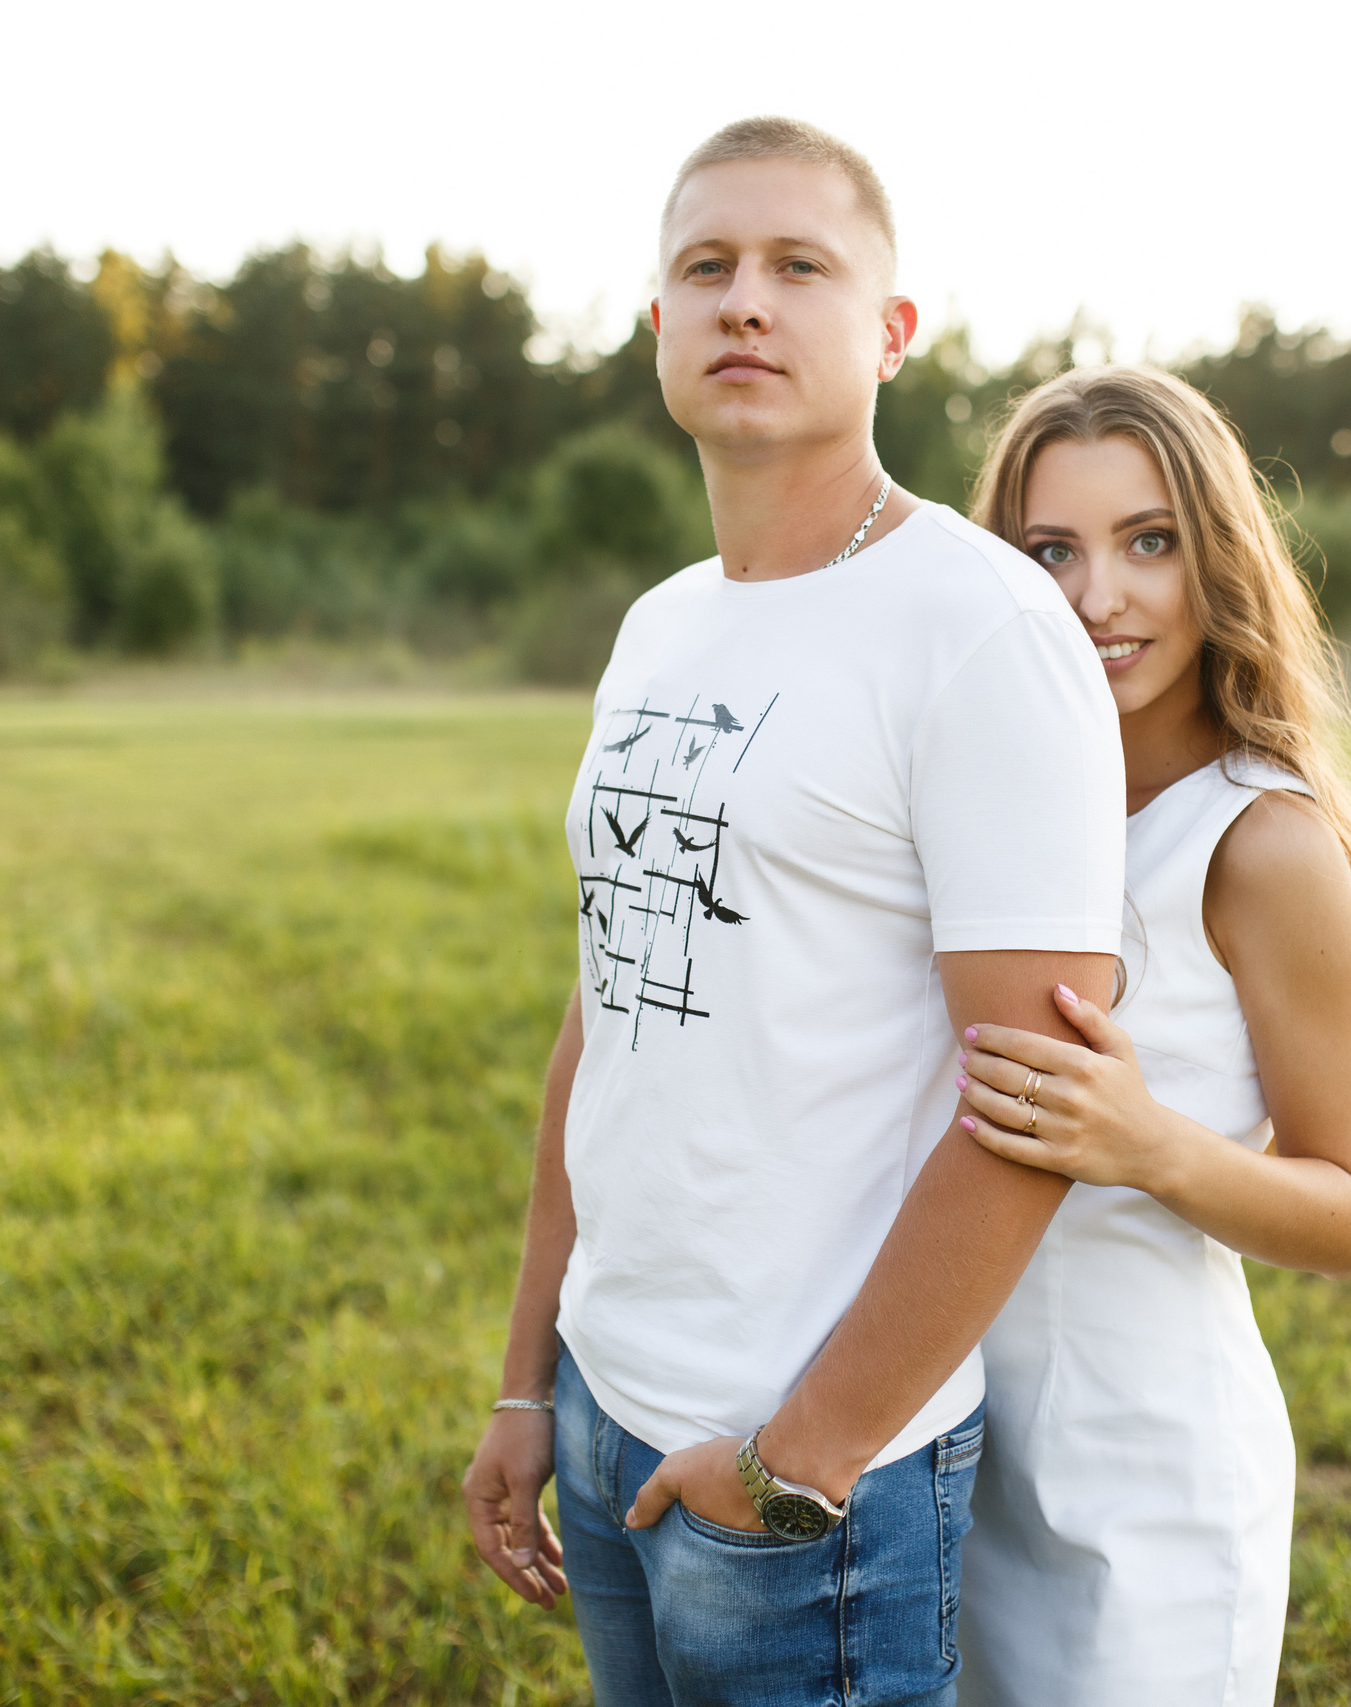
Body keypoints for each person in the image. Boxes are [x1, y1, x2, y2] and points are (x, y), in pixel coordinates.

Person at [457, 119, 1126, 1707]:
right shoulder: (660, 626)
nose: (745, 302)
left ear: (893, 333)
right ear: (658, 327)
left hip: (820, 1481)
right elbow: (604, 1010)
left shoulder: (978, 626)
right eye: (708, 267)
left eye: (798, 267)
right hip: (613, 1416)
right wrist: (527, 1380)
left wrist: (803, 1459)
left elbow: (1037, 1104)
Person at [950, 366, 1351, 1707]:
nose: (1101, 596)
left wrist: (1147, 1144)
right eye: (1053, 550)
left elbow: (1348, 1210)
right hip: (959, 1443)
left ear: (1215, 556)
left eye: (1149, 541)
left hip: (1144, 1476)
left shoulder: (1260, 840)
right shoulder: (997, 807)